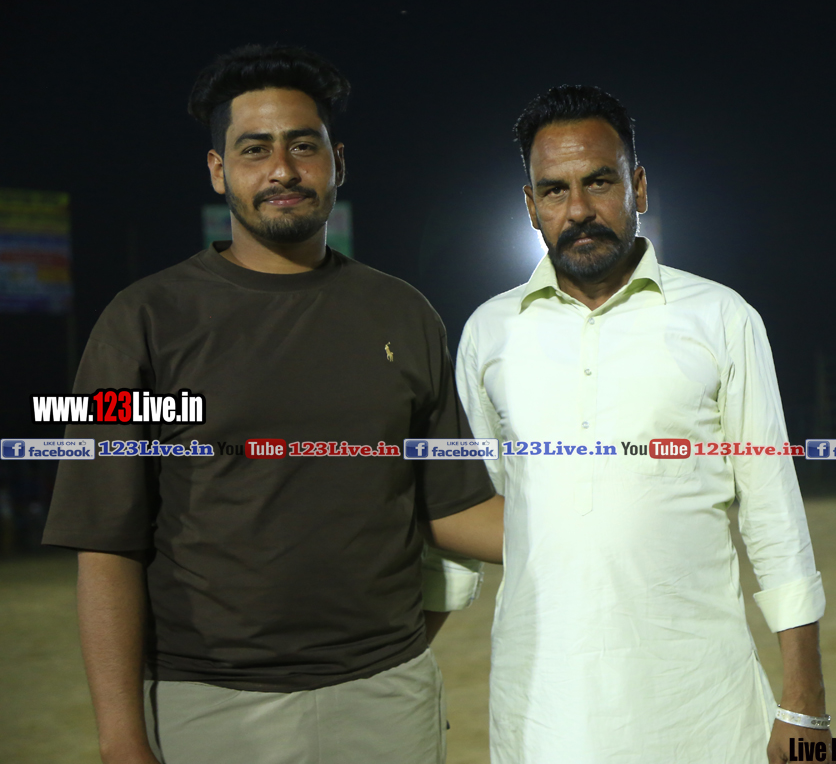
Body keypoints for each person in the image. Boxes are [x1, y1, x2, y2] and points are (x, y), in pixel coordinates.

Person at [42, 44, 503, 764]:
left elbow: (451, 508)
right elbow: (106, 542)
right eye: (254, 149)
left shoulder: (403, 314)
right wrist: (121, 739)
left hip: (389, 695)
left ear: (337, 161)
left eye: (303, 145)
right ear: (218, 170)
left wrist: (624, 521)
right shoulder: (141, 321)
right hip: (209, 701)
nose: (282, 170)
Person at [454, 84, 830, 764]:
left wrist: (803, 703)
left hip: (703, 709)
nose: (578, 210)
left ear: (640, 188)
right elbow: (478, 510)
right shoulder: (489, 333)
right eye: (555, 190)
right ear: (531, 206)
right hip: (543, 712)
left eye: (600, 182)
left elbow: (774, 516)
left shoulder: (721, 319)